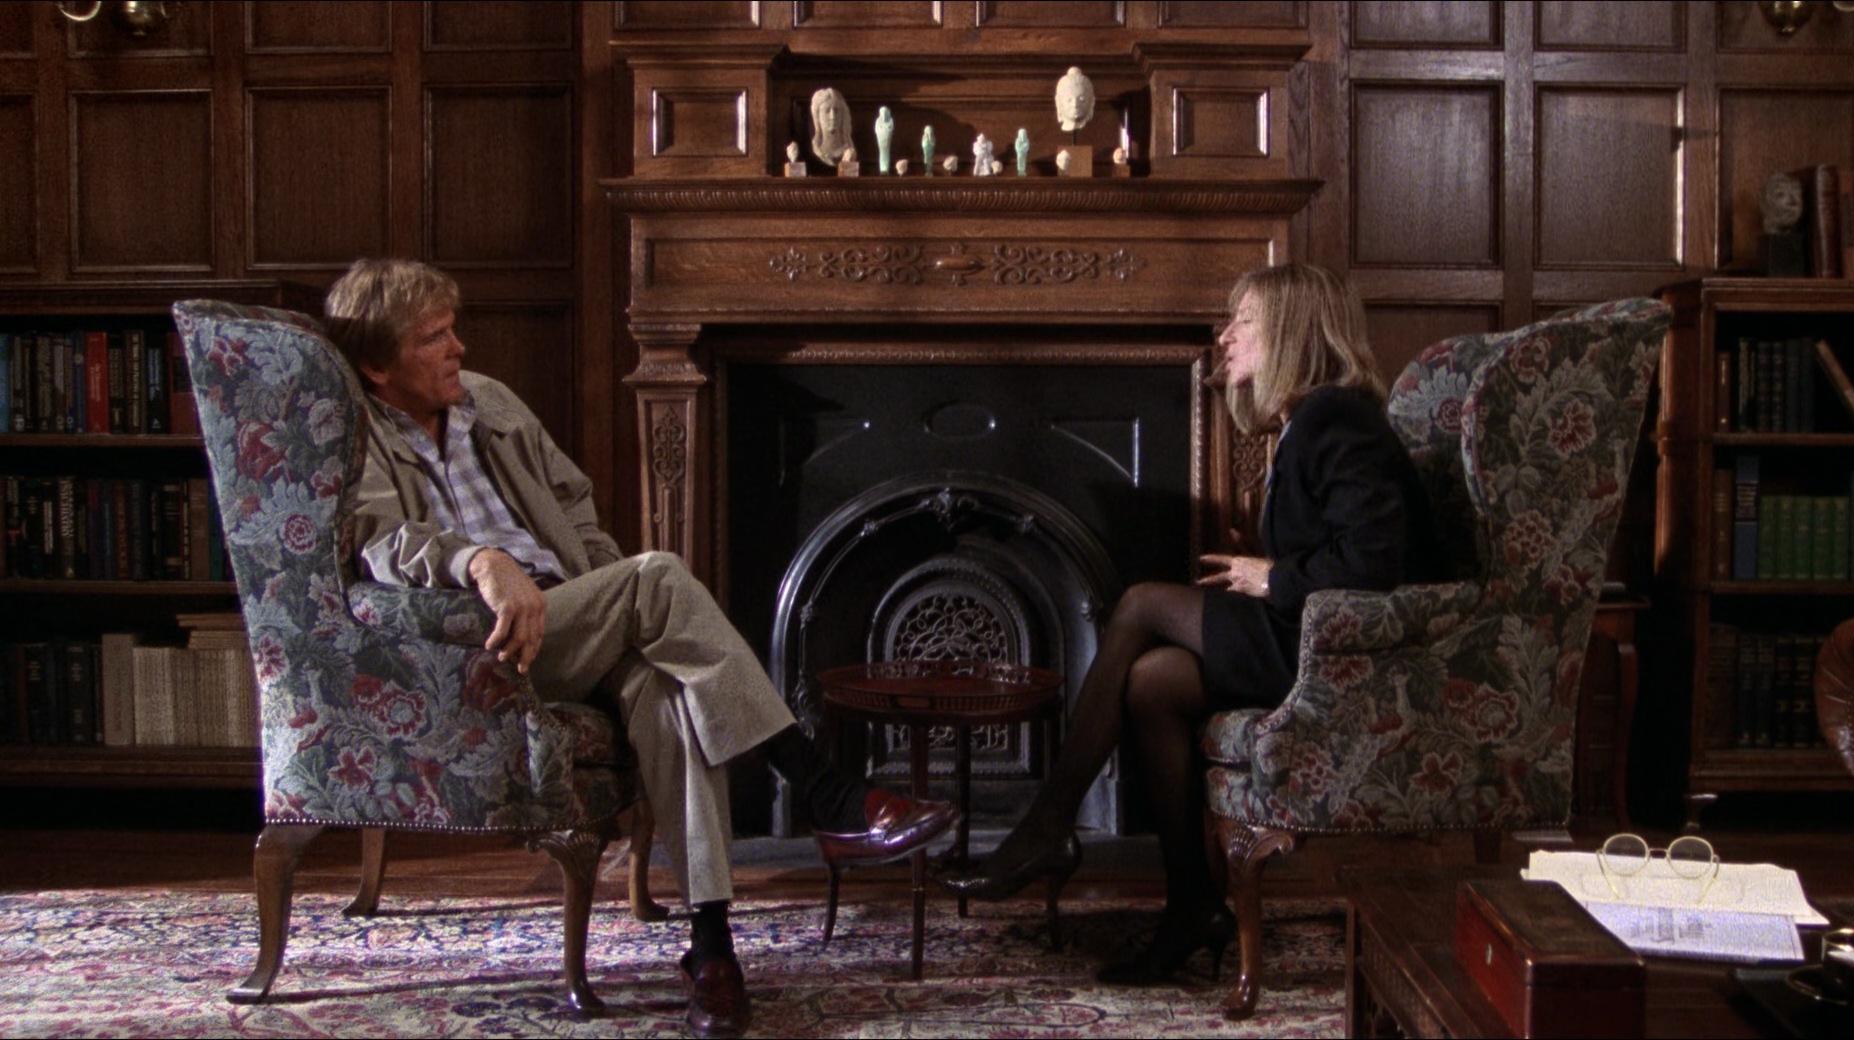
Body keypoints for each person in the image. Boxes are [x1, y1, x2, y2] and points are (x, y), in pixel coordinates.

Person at [325, 258, 957, 1037]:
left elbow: (574, 505)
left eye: (454, 329)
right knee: (657, 576)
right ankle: (827, 792)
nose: (458, 348)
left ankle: (712, 951)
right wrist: (481, 561)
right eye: (433, 338)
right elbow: (381, 542)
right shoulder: (355, 434)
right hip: (484, 638)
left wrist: (599, 586)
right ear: (378, 365)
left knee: (670, 694)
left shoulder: (489, 401)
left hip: (572, 614)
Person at [940, 264, 1443, 984]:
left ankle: (1047, 825)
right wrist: (1273, 568)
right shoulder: (1307, 422)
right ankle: (1191, 906)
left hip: (1339, 655)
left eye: (1244, 320)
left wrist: (1273, 576)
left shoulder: (1338, 417)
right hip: (1304, 636)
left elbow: (1376, 561)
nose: (1224, 335)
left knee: (1143, 603)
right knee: (1153, 682)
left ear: (1294, 331)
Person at [809, 86, 852, 167]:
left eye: (836, 111)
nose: (833, 117)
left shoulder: (848, 150)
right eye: (827, 111)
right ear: (817, 116)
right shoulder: (816, 148)